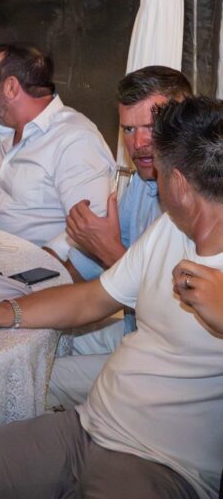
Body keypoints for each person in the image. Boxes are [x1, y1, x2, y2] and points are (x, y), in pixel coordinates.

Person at [0, 96, 223, 499]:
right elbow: (91, 299)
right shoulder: (169, 229)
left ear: (178, 183)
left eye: (160, 172)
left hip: (162, 466)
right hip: (85, 429)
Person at [47, 66, 192, 408]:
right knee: (41, 340)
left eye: (151, 127)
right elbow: (86, 266)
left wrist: (108, 250)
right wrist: (32, 284)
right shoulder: (142, 182)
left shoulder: (197, 199)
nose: (138, 143)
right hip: (131, 330)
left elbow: (175, 309)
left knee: (38, 378)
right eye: (128, 129)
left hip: (166, 364)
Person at [0, 43, 115, 259]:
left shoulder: (75, 139)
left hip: (36, 267)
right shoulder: (9, 133)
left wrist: (45, 259)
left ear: (10, 87)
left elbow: (93, 221)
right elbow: (11, 200)